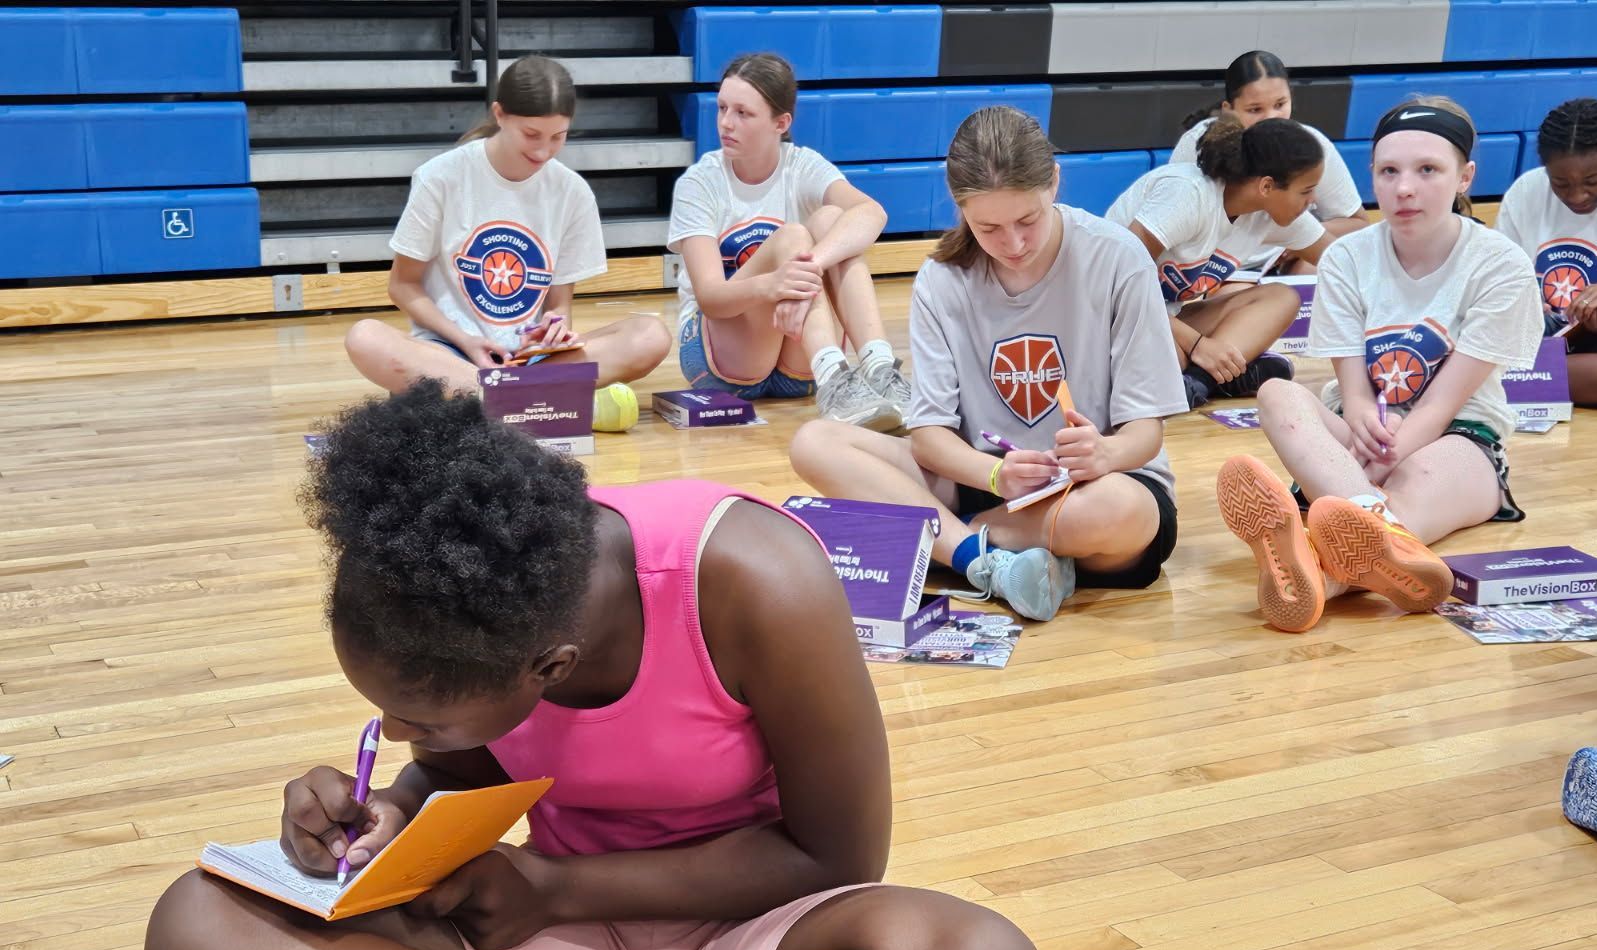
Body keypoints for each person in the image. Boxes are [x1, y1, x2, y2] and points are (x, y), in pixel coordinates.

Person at [142, 381, 1047, 950]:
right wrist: (394, 816)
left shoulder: (754, 578)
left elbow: (837, 857)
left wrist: (557, 889)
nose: (399, 736)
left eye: (422, 718)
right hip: (553, 939)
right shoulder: (469, 607)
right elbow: (460, 772)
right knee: (201, 923)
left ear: (552, 666)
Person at [789, 107, 1187, 623]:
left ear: (1055, 183)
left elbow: (1145, 434)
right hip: (985, 475)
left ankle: (949, 541)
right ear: (960, 208)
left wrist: (1105, 452)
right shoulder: (940, 279)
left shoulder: (1118, 257)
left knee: (1121, 511)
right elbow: (931, 436)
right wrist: (997, 474)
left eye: (1028, 220)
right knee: (815, 442)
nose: (1014, 244)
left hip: (1096, 486)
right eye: (988, 227)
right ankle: (981, 561)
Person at [1216, 98, 1542, 633]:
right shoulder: (1347, 256)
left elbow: (1441, 407)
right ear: (1372, 176)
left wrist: (1370, 466)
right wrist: (1364, 430)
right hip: (1357, 434)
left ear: (1466, 177)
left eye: (1427, 170)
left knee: (1404, 493)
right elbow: (1354, 390)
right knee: (1278, 394)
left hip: (1461, 440)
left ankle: (1314, 570)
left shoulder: (1500, 263)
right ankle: (1368, 526)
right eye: (1388, 171)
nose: (1404, 188)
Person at [344, 56, 670, 428]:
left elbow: (559, 302)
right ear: (499, 114)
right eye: (531, 135)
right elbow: (402, 285)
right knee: (365, 338)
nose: (544, 151)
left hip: (529, 360)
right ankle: (536, 401)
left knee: (650, 335)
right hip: (450, 352)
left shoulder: (573, 192)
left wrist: (552, 330)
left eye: (558, 137)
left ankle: (482, 403)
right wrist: (466, 340)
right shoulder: (440, 177)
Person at [667, 53, 908, 430]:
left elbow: (872, 212)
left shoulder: (802, 165)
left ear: (781, 123)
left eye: (743, 113)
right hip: (719, 361)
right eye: (722, 108)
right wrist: (775, 284)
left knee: (833, 221)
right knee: (794, 235)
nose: (726, 123)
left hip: (795, 367)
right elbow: (711, 298)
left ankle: (878, 369)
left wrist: (808, 268)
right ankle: (834, 378)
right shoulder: (699, 183)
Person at [1106, 115, 1335, 408]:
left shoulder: (1268, 213)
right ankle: (1221, 376)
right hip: (1109, 315)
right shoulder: (1188, 195)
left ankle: (1200, 381)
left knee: (1282, 298)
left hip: (1163, 322)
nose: (1313, 201)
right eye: (1305, 191)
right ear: (1266, 186)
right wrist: (1198, 344)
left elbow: (1343, 265)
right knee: (1164, 359)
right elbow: (1114, 282)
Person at [1172, 50, 1367, 277]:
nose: (1271, 117)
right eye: (1255, 109)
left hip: (1282, 264)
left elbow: (1359, 224)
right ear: (1229, 110)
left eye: (1280, 104)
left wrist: (1298, 241)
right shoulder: (1199, 145)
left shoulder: (1311, 146)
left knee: (1325, 274)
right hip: (1213, 272)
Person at [1496, 96, 1597, 408]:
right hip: (1541, 343)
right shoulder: (1527, 192)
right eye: (1561, 183)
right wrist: (1520, 302)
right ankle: (1519, 381)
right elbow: (1497, 278)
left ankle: (1500, 384)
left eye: (1593, 181)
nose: (1578, 195)